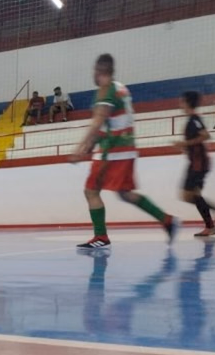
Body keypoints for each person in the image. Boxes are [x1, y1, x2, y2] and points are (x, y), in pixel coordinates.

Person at [68, 53, 178, 252]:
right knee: (125, 194)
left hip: (112, 150)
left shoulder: (105, 90)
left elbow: (98, 121)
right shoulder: (120, 88)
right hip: (125, 149)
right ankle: (167, 220)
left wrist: (79, 148)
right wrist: (91, 145)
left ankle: (101, 236)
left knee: (91, 191)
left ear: (100, 71)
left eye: (94, 70)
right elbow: (109, 122)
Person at [175, 90, 215, 238]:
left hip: (199, 163)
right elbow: (196, 141)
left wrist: (185, 143)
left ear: (187, 102)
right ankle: (211, 225)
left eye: (181, 101)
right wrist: (185, 147)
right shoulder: (191, 121)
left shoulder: (194, 119)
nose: (180, 104)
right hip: (196, 162)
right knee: (193, 195)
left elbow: (205, 135)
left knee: (187, 195)